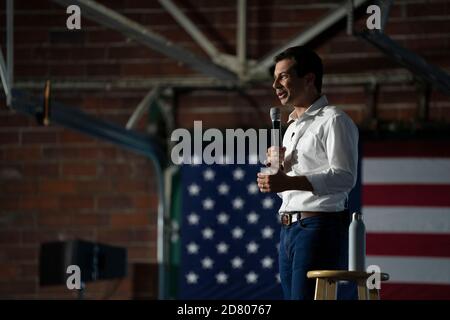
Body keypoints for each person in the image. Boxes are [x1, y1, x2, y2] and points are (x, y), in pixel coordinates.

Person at [256, 46, 359, 300]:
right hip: (288, 229)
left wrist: (288, 180)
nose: (275, 85)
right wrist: (279, 170)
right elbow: (290, 187)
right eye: (275, 78)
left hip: (318, 227)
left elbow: (345, 176)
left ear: (309, 78)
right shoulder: (290, 128)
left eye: (283, 76)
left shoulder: (334, 119)